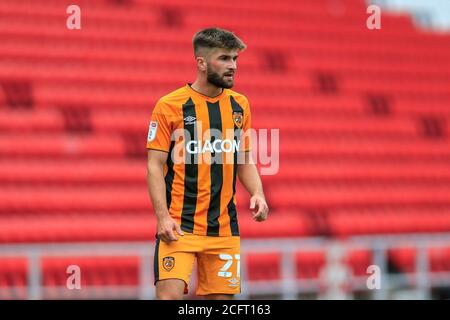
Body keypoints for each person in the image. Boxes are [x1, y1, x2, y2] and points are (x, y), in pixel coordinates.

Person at [146, 27, 269, 300]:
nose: (233, 66)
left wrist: (258, 193)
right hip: (178, 226)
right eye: (224, 59)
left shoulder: (240, 106)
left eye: (235, 59)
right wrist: (162, 217)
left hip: (223, 229)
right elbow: (154, 165)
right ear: (201, 63)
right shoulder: (169, 105)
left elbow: (244, 158)